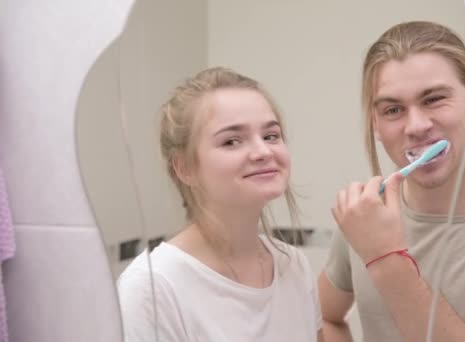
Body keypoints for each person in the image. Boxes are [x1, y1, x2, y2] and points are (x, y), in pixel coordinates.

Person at [318, 21, 465, 341]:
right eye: (393, 109)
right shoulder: (368, 215)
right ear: (376, 123)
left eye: (434, 99)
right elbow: (324, 318)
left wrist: (385, 259)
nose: (415, 126)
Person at [117, 67, 323, 342]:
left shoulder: (293, 265)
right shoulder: (151, 288)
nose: (263, 151)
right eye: (232, 141)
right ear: (185, 167)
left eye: (271, 136)